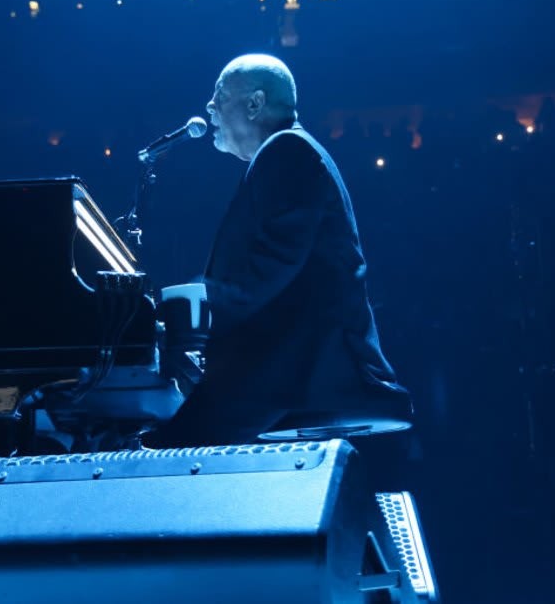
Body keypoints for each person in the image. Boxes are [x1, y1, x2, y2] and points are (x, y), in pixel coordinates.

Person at [145, 54, 409, 448]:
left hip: (298, 369)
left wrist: (185, 310)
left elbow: (266, 272)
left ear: (254, 104)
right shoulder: (283, 154)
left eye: (219, 96)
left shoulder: (287, 150)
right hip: (286, 363)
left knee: (158, 452)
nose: (209, 107)